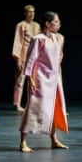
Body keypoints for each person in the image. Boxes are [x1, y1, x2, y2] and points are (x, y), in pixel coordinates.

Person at [19, 11, 69, 152]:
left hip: (54, 78)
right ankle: (23, 141)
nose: (58, 24)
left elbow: (58, 57)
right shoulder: (38, 38)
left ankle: (54, 139)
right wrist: (30, 78)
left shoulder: (57, 38)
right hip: (40, 78)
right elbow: (30, 59)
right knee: (34, 108)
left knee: (54, 108)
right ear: (47, 24)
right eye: (56, 21)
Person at [12, 4, 41, 114]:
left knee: (34, 81)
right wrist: (18, 59)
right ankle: (17, 103)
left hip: (35, 56)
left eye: (33, 12)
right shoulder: (21, 25)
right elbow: (18, 41)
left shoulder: (37, 25)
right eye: (29, 12)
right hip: (24, 55)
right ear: (25, 13)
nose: (31, 14)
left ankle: (32, 102)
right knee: (20, 80)